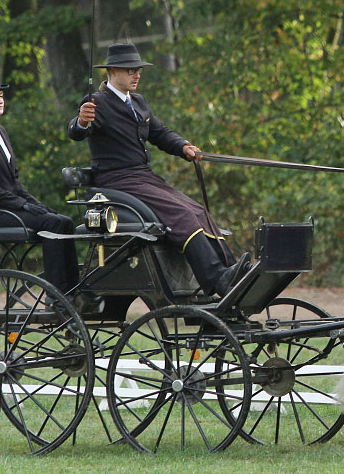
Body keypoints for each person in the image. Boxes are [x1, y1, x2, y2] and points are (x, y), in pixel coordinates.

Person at [67, 42, 250, 297]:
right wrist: (81, 122)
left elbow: (160, 133)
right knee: (181, 216)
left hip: (144, 177)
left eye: (138, 70)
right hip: (118, 180)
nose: (137, 74)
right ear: (111, 71)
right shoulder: (96, 102)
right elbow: (77, 130)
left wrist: (184, 146)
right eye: (130, 70)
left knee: (197, 211)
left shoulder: (139, 102)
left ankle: (231, 270)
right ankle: (217, 280)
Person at [0, 72, 79, 293]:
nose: (0, 100)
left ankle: (74, 288)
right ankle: (56, 293)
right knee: (52, 224)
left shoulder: (0, 131)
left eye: (1, 95)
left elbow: (13, 181)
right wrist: (21, 205)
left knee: (64, 221)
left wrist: (35, 203)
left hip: (8, 206)